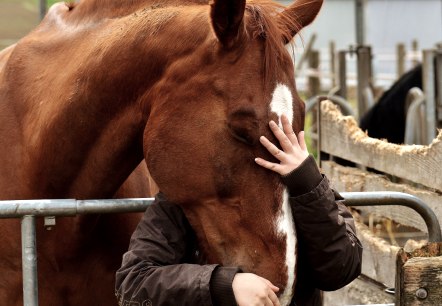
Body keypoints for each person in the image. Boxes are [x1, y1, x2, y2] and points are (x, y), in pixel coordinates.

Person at [115, 115, 363, 306]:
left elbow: (340, 268)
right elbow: (134, 281)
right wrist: (224, 285)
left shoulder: (301, 184)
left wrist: (307, 182)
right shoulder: (187, 192)